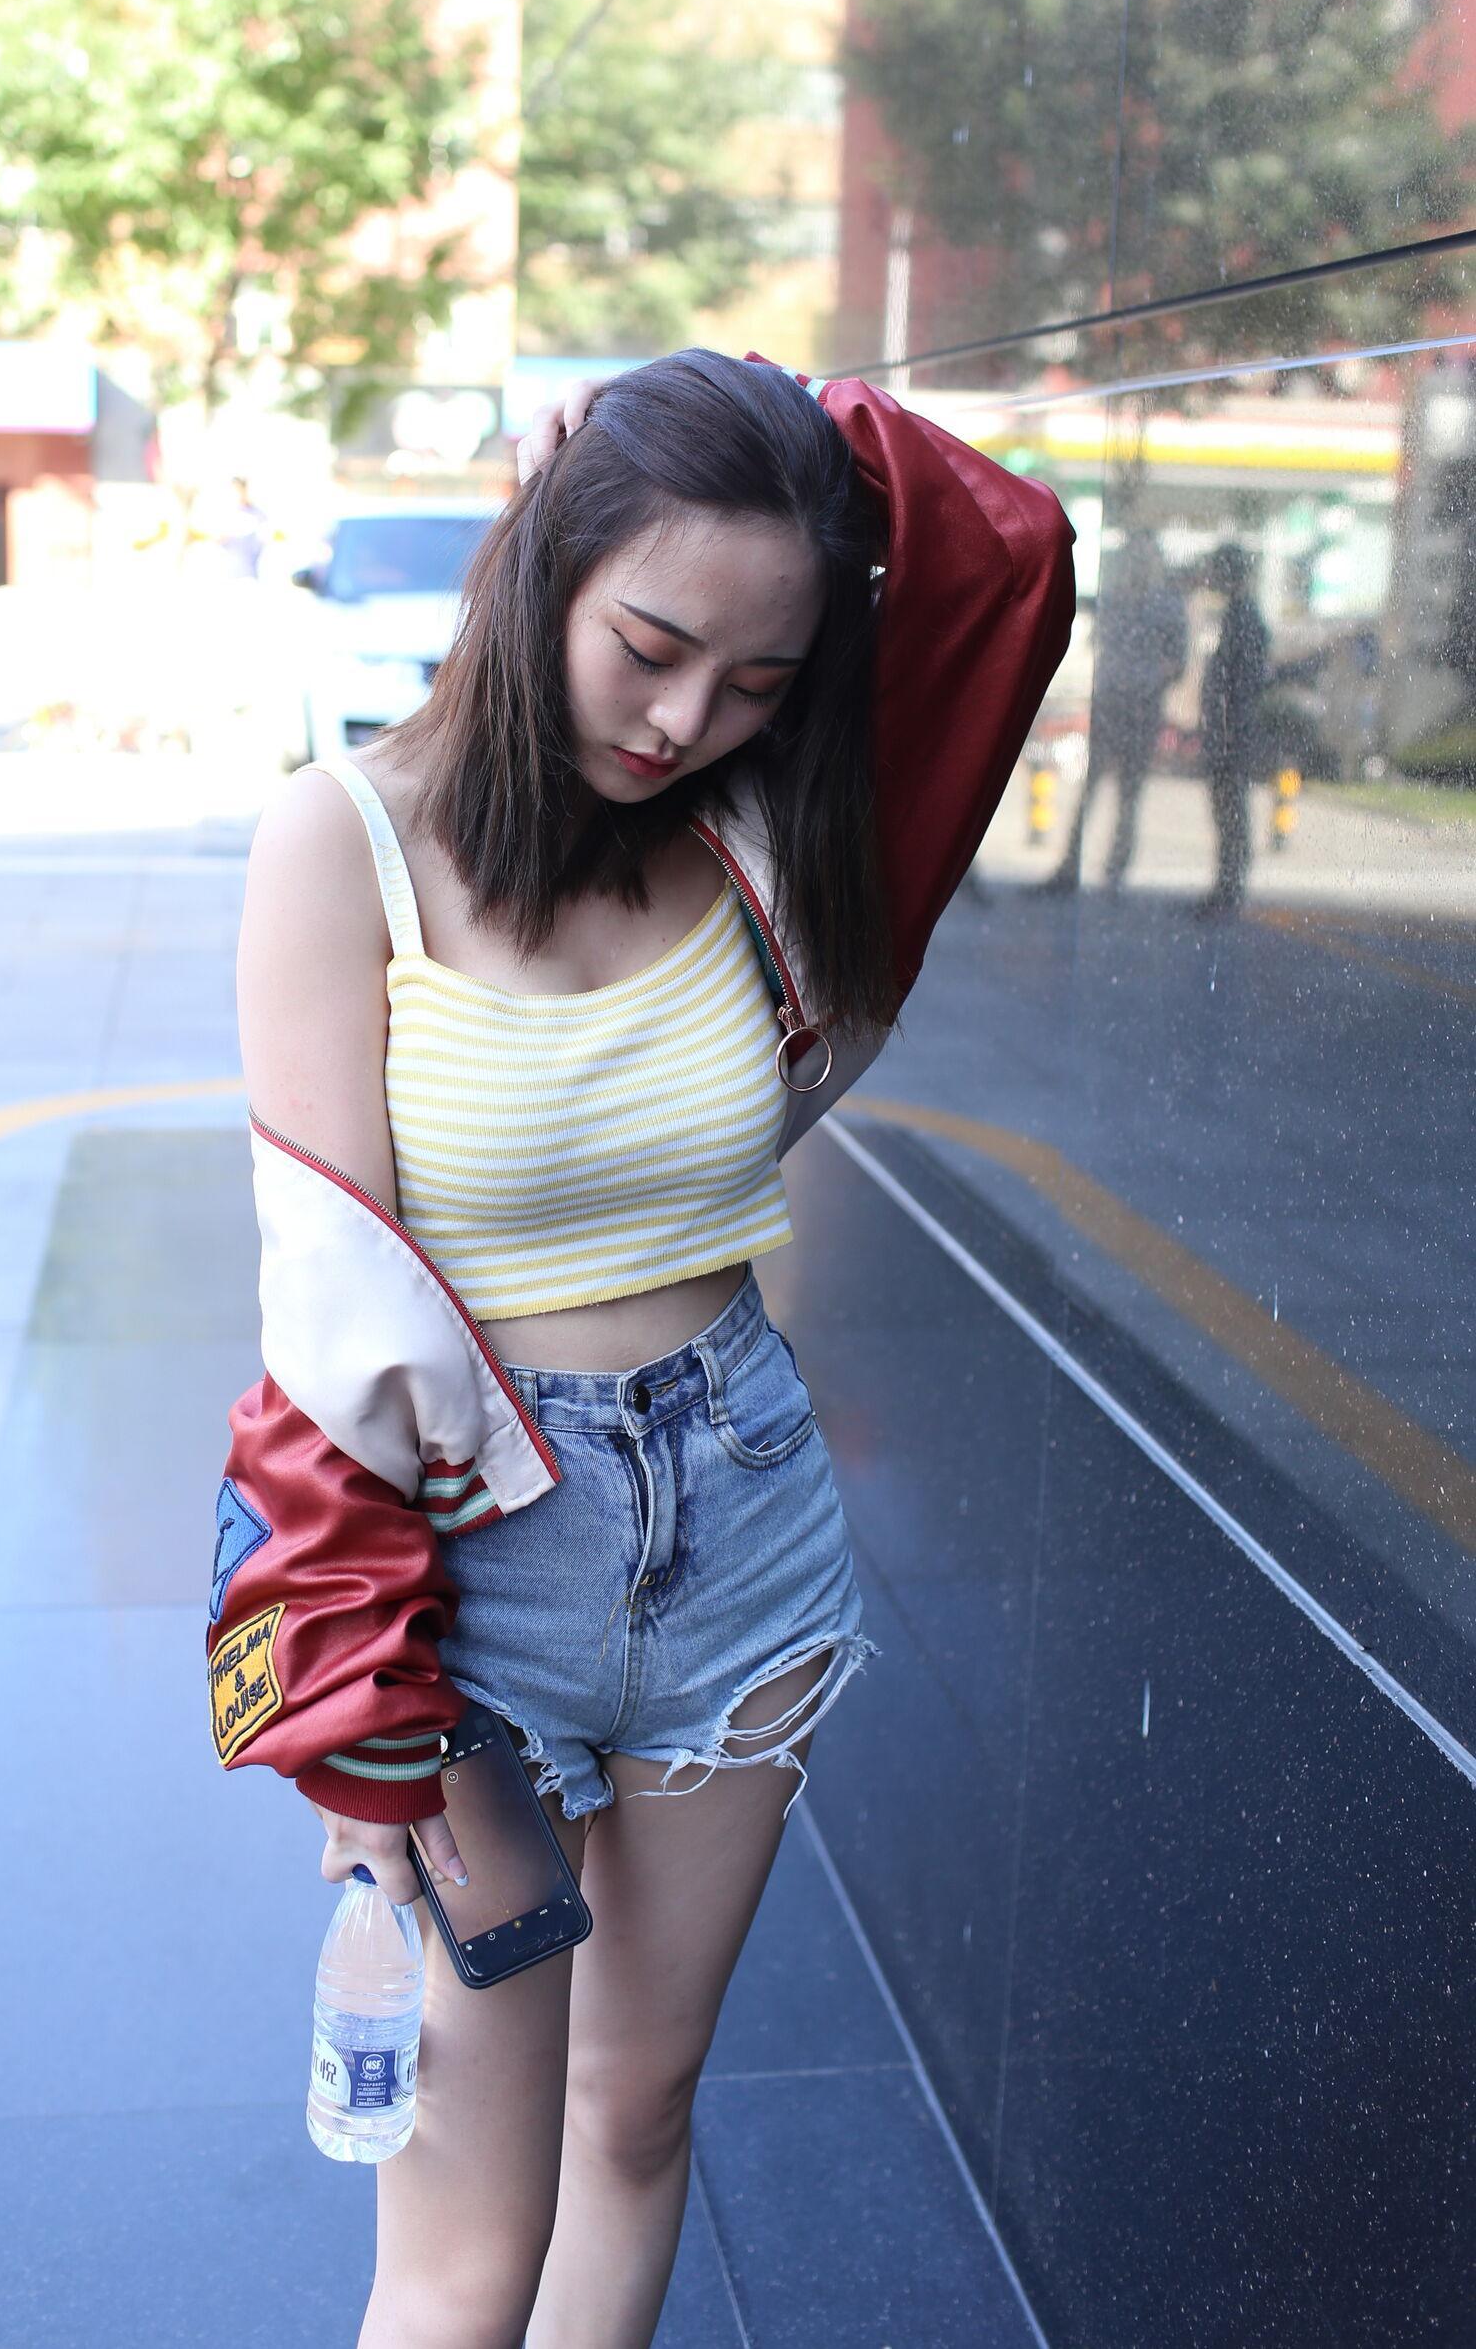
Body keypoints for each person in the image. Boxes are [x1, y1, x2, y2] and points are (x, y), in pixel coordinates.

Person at [211, 351, 1075, 2349]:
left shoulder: (762, 840)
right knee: (460, 2245)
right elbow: (331, 1317)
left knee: (638, 2107)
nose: (687, 720)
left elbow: (1011, 547)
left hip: (741, 1523)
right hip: (467, 1562)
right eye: (652, 646)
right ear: (548, 559)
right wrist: (357, 1709)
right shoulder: (341, 841)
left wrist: (734, 416)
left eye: (757, 682)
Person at [1039, 528, 1188, 893]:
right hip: (1110, 703)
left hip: (1141, 706)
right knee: (1092, 789)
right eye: (1131, 559)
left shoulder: (1166, 607)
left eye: (1143, 559)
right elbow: (1099, 646)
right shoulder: (1117, 601)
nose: (1137, 567)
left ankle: (1115, 872)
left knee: (1128, 795)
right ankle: (1071, 866)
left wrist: (1147, 681)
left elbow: (1177, 662)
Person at [1197, 538, 1270, 919]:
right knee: (1227, 811)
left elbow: (1243, 681)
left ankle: (1229, 888)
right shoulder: (1238, 615)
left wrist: (1226, 729)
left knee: (1231, 812)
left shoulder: (1244, 617)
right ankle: (1226, 887)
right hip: (1229, 730)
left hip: (1233, 732)